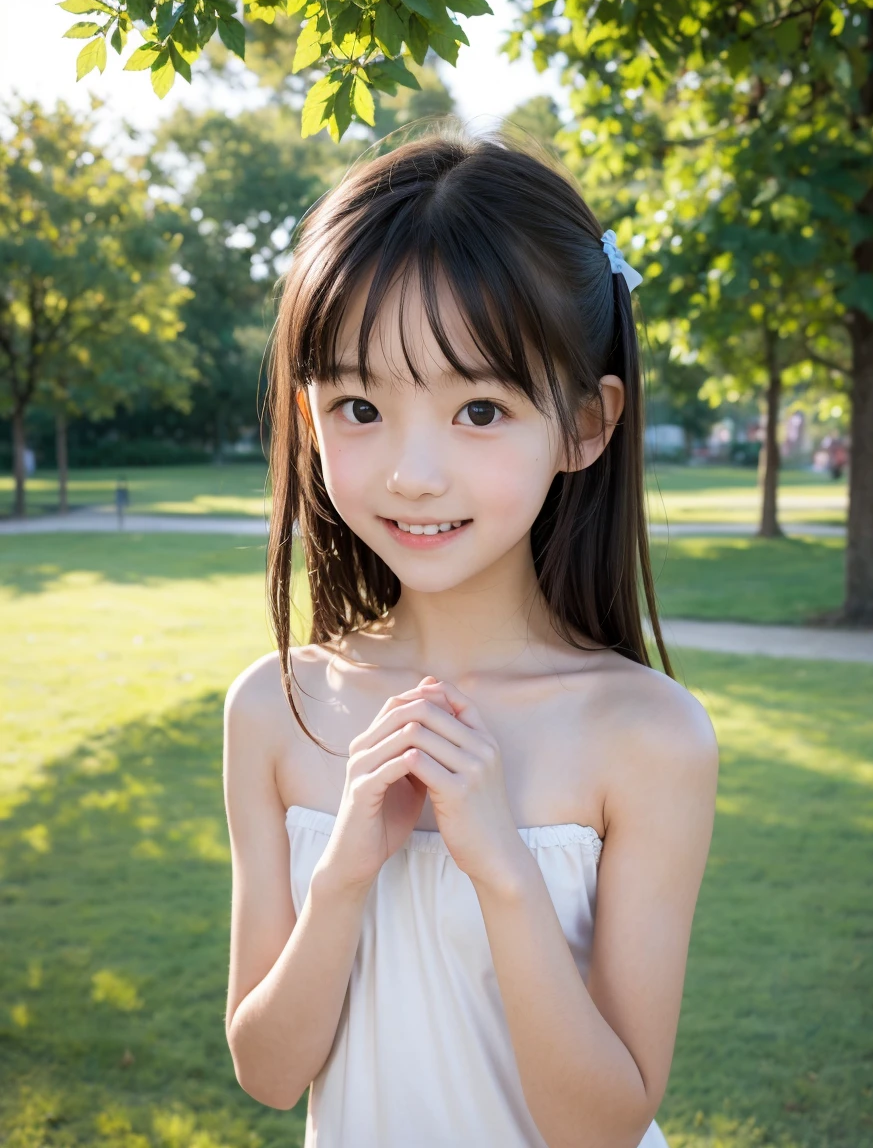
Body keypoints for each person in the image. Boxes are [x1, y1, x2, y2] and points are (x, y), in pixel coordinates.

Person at [223, 123, 719, 1148]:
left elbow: (604, 1125)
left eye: (479, 411)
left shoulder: (648, 735)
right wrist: (346, 870)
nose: (413, 471)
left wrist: (499, 863)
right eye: (359, 404)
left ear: (585, 424)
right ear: (311, 419)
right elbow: (268, 1074)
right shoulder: (275, 709)